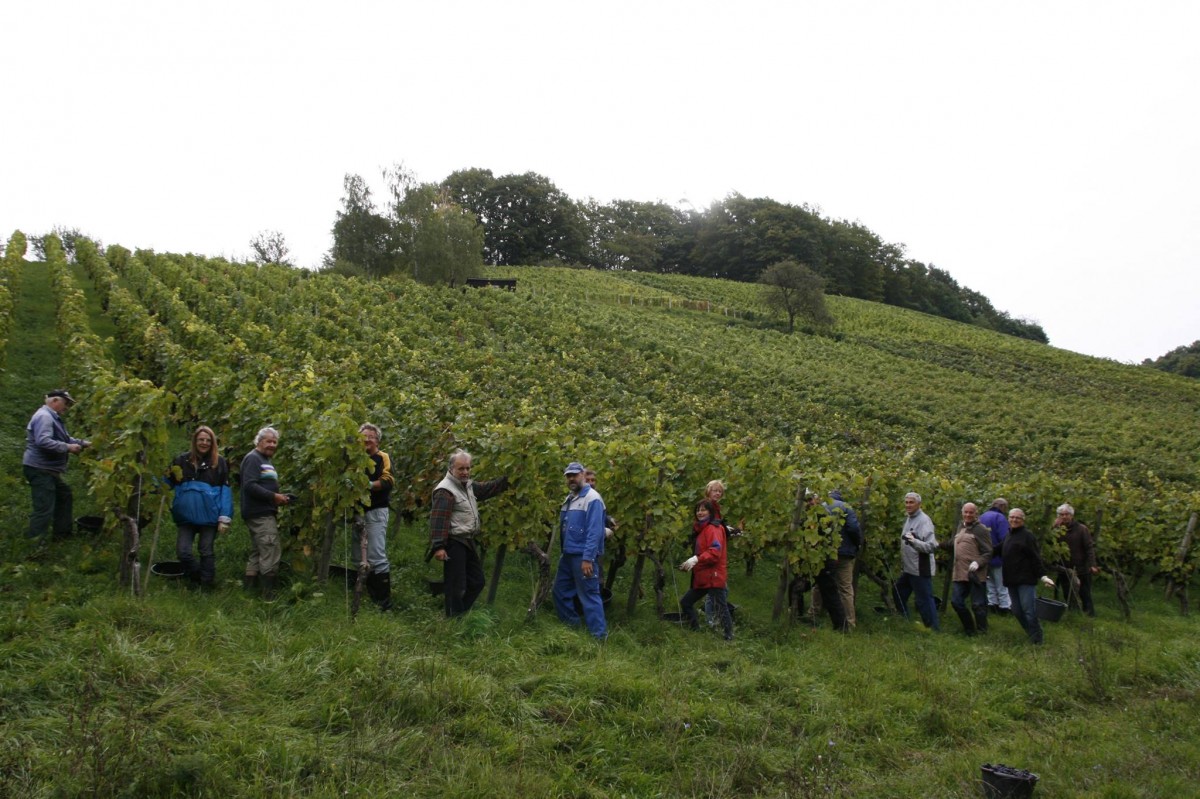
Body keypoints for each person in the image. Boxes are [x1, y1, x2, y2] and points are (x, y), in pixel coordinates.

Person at [428, 449, 509, 618]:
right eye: (461, 469)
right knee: (456, 586)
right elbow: (439, 519)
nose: (465, 472)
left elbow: (488, 489)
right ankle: (453, 619)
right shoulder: (446, 490)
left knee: (477, 581)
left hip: (466, 541)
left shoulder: (467, 486)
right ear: (451, 469)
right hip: (453, 542)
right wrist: (439, 546)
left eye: (468, 468)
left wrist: (509, 478)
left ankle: (458, 614)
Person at [22, 389, 91, 547]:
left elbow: (64, 438)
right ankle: (35, 544)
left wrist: (83, 443)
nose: (67, 407)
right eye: (66, 403)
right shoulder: (44, 417)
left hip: (46, 469)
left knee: (64, 495)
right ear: (55, 401)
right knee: (44, 506)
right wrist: (68, 448)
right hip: (40, 469)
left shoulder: (52, 417)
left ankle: (62, 535)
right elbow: (43, 441)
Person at [166, 426, 232, 589]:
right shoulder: (181, 461)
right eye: (201, 439)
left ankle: (207, 585)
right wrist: (152, 484)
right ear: (195, 441)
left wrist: (225, 516)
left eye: (208, 440)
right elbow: (166, 482)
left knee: (206, 550)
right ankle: (196, 577)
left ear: (213, 443)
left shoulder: (219, 463)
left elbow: (225, 491)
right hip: (185, 516)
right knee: (183, 552)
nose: (204, 443)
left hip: (209, 516)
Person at [552, 462, 608, 639]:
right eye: (568, 476)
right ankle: (572, 628)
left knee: (589, 595)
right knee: (559, 591)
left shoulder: (592, 498)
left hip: (582, 556)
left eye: (574, 475)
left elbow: (595, 532)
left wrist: (588, 558)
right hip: (568, 554)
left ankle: (599, 637)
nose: (571, 479)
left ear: (582, 475)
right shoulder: (570, 498)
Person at [240, 426, 291, 601]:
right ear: (259, 441)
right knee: (270, 548)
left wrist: (279, 497)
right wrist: (273, 497)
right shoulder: (253, 458)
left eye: (275, 442)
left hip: (261, 511)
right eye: (268, 441)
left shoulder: (264, 459)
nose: (272, 445)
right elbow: (250, 486)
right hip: (259, 513)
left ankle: (249, 591)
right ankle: (268, 596)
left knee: (258, 550)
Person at [678, 500, 733, 640]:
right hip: (703, 576)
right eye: (698, 510)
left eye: (703, 510)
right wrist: (691, 562)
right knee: (686, 602)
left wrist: (696, 559)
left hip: (714, 576)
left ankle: (729, 637)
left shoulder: (713, 528)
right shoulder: (702, 529)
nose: (700, 512)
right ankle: (695, 630)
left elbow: (715, 552)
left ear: (710, 512)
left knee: (721, 607)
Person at [1001, 507, 1056, 644]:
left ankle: (1037, 639)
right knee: (1016, 611)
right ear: (1008, 518)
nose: (1014, 520)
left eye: (1017, 518)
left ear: (1023, 520)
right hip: (1011, 579)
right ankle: (1031, 633)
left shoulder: (1027, 536)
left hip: (1025, 579)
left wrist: (1043, 576)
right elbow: (997, 549)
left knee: (1029, 611)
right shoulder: (1009, 535)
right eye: (1012, 517)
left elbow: (1035, 557)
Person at [810, 489, 862, 629]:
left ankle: (813, 613)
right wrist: (857, 544)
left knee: (820, 583)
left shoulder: (820, 507)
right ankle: (849, 622)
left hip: (824, 552)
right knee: (845, 588)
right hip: (844, 552)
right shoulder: (846, 507)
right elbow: (853, 528)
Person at [357, 423, 395, 611]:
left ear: (377, 441)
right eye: (364, 436)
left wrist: (368, 485)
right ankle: (366, 594)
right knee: (359, 554)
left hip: (376, 511)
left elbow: (388, 481)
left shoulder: (383, 457)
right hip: (358, 512)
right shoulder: (355, 459)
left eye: (371, 437)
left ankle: (383, 602)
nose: (367, 439)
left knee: (376, 555)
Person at [803, 490, 849, 632]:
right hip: (813, 558)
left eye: (812, 499)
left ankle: (841, 627)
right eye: (807, 500)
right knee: (798, 586)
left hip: (824, 559)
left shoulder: (822, 515)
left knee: (829, 592)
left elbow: (822, 538)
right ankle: (799, 616)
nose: (810, 502)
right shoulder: (806, 515)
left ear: (817, 500)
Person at [894, 491, 940, 631]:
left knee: (924, 600)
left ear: (919, 504)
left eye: (911, 502)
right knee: (898, 591)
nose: (908, 505)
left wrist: (914, 542)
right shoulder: (909, 518)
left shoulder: (924, 521)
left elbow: (931, 546)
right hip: (909, 568)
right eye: (906, 502)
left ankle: (933, 629)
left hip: (920, 568)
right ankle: (905, 619)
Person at [950, 502, 993, 635]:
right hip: (959, 572)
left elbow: (988, 552)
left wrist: (978, 563)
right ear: (962, 513)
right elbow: (954, 544)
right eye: (966, 512)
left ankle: (982, 631)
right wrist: (936, 544)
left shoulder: (981, 530)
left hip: (975, 573)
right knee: (956, 602)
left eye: (971, 512)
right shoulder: (960, 526)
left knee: (978, 604)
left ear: (976, 514)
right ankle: (969, 628)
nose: (968, 515)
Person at [1053, 503, 1098, 616]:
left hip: (1081, 567)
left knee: (1084, 592)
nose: (1064, 516)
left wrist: (1092, 564)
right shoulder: (1056, 529)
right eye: (1061, 514)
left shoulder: (1082, 529)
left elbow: (1089, 548)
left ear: (1072, 515)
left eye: (1067, 514)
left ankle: (1089, 614)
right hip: (1064, 567)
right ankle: (1073, 613)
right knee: (1067, 591)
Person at [979, 498, 1011, 616]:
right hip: (998, 556)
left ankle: (992, 604)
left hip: (983, 555)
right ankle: (1004, 607)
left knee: (990, 582)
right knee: (1002, 584)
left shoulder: (982, 516)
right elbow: (1005, 538)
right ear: (1002, 506)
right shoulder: (1000, 518)